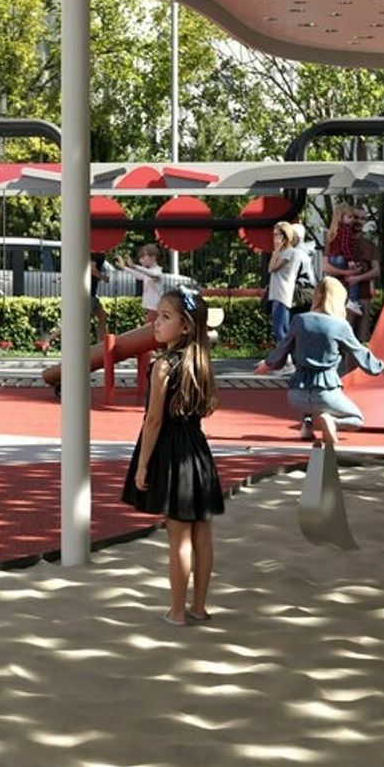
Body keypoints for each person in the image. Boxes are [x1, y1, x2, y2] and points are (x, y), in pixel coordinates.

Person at [122, 288, 224, 626]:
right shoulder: (201, 362)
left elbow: (153, 420)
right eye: (158, 314)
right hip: (198, 450)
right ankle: (200, 607)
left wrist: (142, 465)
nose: (156, 322)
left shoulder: (164, 365)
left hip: (172, 452)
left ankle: (177, 612)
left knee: (178, 536)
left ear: (185, 326)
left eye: (166, 316)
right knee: (202, 534)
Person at [256, 276, 384, 447]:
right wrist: (383, 368)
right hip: (325, 393)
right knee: (356, 419)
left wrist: (267, 364)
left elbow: (282, 348)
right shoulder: (340, 326)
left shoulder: (299, 320)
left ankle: (307, 425)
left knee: (309, 399)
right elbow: (360, 353)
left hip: (296, 394)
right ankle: (333, 422)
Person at [117, 242, 168, 401]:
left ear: (153, 257)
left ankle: (156, 366)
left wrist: (134, 266)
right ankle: (153, 366)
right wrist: (125, 267)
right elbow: (139, 275)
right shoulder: (148, 272)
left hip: (156, 311)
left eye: (143, 257)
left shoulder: (158, 272)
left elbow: (152, 275)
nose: (141, 260)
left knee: (151, 340)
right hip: (151, 310)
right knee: (153, 341)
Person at [263, 222, 301, 346]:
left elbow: (272, 268)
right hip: (276, 293)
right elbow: (270, 268)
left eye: (277, 235)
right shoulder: (281, 253)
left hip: (282, 293)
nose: (274, 238)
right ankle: (287, 354)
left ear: (285, 236)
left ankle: (286, 354)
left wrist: (275, 252)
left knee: (279, 328)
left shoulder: (290, 253)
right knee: (283, 327)